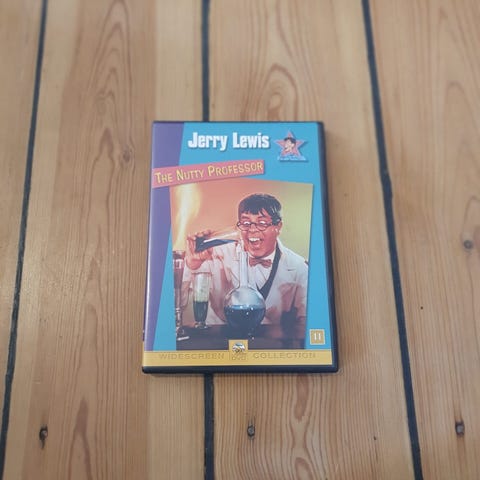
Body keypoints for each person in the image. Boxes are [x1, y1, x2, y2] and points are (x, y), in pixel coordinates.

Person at [184, 193, 308, 341]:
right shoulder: (214, 254)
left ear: (278, 226)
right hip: (219, 342)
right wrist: (192, 264)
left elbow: (307, 322)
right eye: (246, 223)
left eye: (262, 223)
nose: (252, 230)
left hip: (270, 346)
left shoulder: (299, 268)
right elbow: (177, 303)